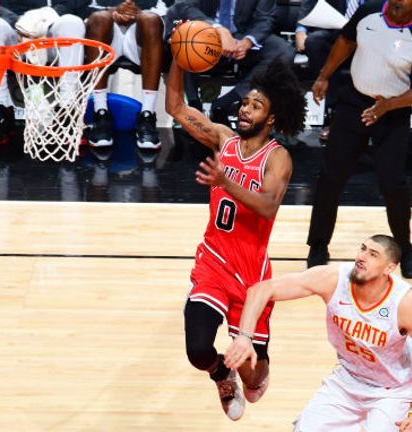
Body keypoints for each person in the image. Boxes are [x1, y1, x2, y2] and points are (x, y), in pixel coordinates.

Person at [165, 55, 306, 420]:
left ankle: (251, 373)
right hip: (212, 261)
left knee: (254, 384)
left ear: (271, 118)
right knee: (198, 349)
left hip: (251, 274)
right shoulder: (222, 140)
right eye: (245, 102)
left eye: (256, 106)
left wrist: (226, 182)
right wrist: (178, 57)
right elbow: (176, 106)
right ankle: (220, 375)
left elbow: (268, 207)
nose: (245, 109)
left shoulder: (278, 158)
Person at [225, 234, 412, 432]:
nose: (362, 257)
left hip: (394, 390)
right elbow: (261, 289)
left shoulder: (404, 303)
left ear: (389, 268)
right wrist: (244, 337)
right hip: (348, 379)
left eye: (373, 254)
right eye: (362, 249)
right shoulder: (333, 279)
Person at [305, 0, 412, 279]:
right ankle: (318, 245)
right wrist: (324, 76)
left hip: (393, 112)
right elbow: (345, 41)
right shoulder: (369, 11)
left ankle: (405, 248)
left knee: (393, 184)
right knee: (331, 176)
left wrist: (388, 106)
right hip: (353, 103)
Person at [172, 0, 295, 123]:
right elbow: (184, 6)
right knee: (183, 41)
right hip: (205, 34)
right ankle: (193, 106)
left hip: (243, 36)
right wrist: (217, 28)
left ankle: (225, 103)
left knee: (283, 51)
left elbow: (266, 18)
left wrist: (248, 42)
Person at [0, 0, 87, 145]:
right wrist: (19, 21)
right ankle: (2, 109)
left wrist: (45, 16)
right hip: (15, 32)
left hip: (51, 29)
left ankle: (68, 109)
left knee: (72, 22)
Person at [85, 0, 171, 149]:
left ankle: (147, 116)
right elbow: (78, 6)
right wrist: (112, 10)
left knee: (150, 19)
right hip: (104, 27)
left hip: (144, 30)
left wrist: (137, 13)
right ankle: (100, 114)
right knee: (99, 18)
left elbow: (172, 6)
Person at [294, 0, 358, 142]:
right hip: (336, 31)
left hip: (370, 34)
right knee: (314, 41)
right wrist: (301, 30)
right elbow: (309, 4)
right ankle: (333, 113)